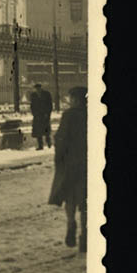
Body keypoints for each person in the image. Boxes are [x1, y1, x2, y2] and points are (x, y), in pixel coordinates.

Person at [48, 86, 89, 252]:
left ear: (75, 99)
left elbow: (62, 138)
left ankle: (71, 222)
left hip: (70, 164)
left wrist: (58, 157)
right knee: (86, 201)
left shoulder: (69, 115)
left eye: (70, 97)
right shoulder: (93, 114)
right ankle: (85, 234)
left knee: (70, 197)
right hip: (88, 164)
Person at [29, 82, 54, 150]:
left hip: (45, 115)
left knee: (46, 131)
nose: (38, 90)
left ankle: (49, 143)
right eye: (36, 89)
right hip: (37, 116)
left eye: (39, 88)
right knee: (38, 132)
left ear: (41, 88)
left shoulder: (46, 94)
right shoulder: (33, 95)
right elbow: (32, 105)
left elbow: (50, 105)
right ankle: (40, 145)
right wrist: (34, 113)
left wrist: (48, 114)